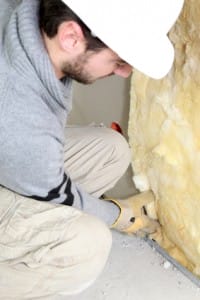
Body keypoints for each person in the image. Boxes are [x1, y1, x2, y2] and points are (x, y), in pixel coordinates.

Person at [0, 0, 184, 298]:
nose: (124, 72)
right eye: (119, 60)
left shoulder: (27, 16)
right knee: (87, 244)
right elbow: (51, 185)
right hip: (14, 141)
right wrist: (116, 215)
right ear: (71, 37)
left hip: (14, 151)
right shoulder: (19, 113)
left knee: (112, 150)